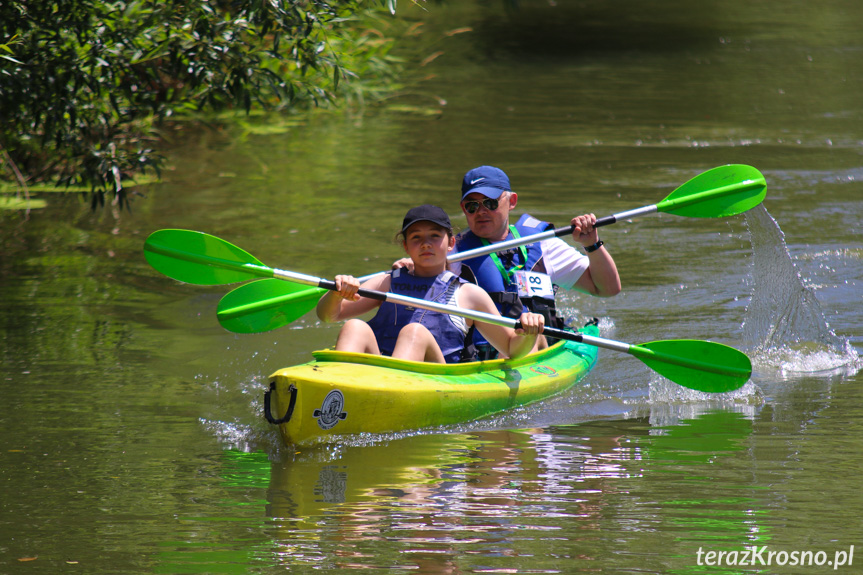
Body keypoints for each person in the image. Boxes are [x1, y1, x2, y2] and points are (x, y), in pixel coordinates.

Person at [396, 165, 621, 359]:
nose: (481, 212)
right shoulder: (453, 252)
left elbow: (607, 288)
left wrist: (592, 245)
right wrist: (412, 267)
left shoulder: (542, 244)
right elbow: (423, 283)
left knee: (530, 335)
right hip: (484, 351)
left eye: (490, 203)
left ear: (511, 201)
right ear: (464, 209)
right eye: (472, 206)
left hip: (538, 342)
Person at [315, 204, 546, 363]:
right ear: (406, 247)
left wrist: (528, 333)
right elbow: (328, 316)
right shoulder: (387, 282)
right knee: (354, 326)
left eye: (435, 236)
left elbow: (510, 349)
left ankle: (390, 394)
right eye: (416, 237)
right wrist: (336, 293)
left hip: (436, 380)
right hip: (379, 375)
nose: (426, 244)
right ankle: (336, 394)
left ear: (451, 243)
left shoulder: (469, 295)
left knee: (414, 333)